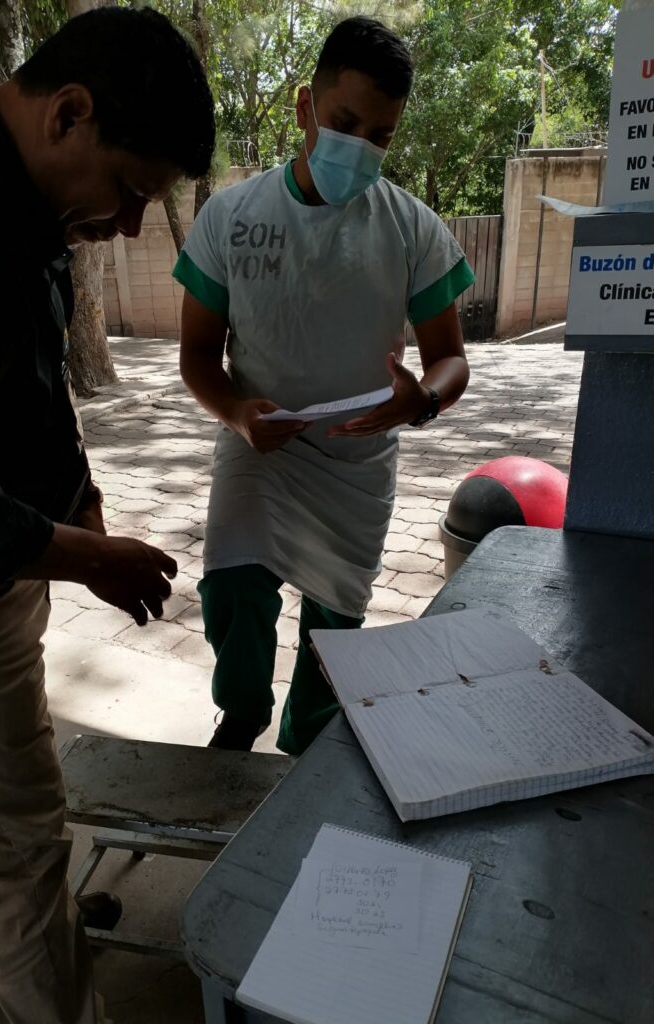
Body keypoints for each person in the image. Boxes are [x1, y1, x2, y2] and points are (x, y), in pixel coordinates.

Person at [0, 8, 214, 1023]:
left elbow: (28, 388)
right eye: (130, 191)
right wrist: (81, 555)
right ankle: (36, 963)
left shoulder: (16, 199)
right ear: (69, 113)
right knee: (17, 843)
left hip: (0, 567)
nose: (129, 226)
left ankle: (1, 944)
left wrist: (81, 504)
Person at [175, 16, 472, 755]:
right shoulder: (231, 218)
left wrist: (424, 399)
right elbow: (197, 356)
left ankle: (308, 741)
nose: (360, 147)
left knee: (335, 627)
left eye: (381, 135)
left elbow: (450, 359)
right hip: (260, 450)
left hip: (358, 464)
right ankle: (241, 715)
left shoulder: (412, 229)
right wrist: (236, 413)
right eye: (344, 123)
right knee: (233, 588)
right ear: (306, 107)